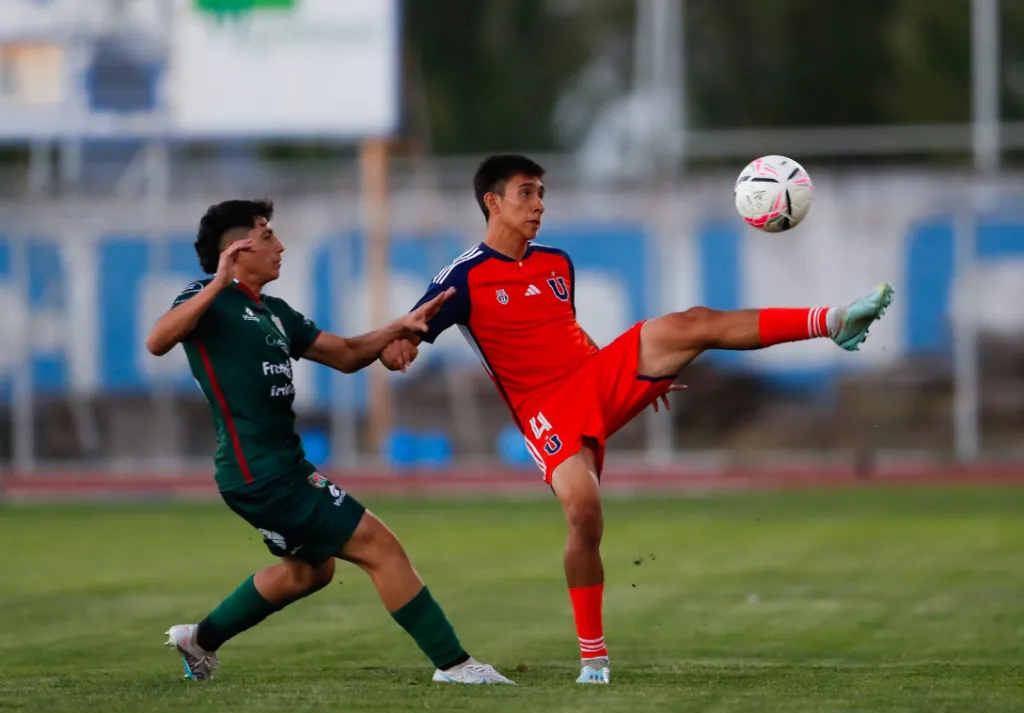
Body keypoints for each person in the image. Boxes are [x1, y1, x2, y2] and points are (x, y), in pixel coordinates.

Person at [379, 155, 894, 684]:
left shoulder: (556, 262)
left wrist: (639, 376)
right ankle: (594, 660)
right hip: (543, 408)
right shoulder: (461, 278)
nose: (539, 205)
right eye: (526, 193)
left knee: (690, 324)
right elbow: (406, 335)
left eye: (540, 194)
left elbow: (566, 333)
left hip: (593, 377)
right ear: (493, 201)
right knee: (585, 512)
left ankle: (833, 321)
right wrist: (398, 350)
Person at [146, 199, 513, 685]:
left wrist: (397, 329)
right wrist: (217, 282)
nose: (279, 245)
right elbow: (157, 341)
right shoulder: (207, 298)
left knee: (308, 572)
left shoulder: (274, 312)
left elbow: (343, 355)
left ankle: (200, 640)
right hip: (260, 471)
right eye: (267, 234)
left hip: (278, 466)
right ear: (238, 247)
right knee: (380, 546)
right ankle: (456, 666)